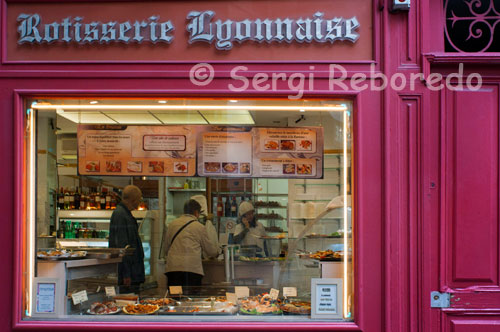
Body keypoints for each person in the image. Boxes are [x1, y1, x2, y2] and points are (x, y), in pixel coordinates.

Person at [164, 199, 219, 295]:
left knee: (175, 298)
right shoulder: (199, 227)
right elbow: (211, 251)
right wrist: (218, 251)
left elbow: (165, 249)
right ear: (196, 212)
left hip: (173, 271)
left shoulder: (172, 224)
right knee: (191, 300)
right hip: (192, 272)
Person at [108, 185, 145, 294]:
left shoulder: (125, 214)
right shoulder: (120, 215)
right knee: (127, 302)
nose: (139, 202)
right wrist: (126, 274)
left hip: (133, 271)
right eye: (139, 199)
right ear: (134, 200)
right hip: (129, 274)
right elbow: (122, 247)